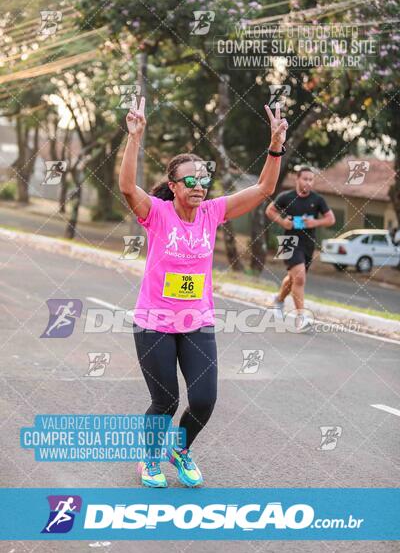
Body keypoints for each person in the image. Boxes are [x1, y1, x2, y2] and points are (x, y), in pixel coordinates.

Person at [119, 97, 288, 488]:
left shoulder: (213, 212)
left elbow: (264, 188)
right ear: (174, 186)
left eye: (203, 178)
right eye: (189, 180)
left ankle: (180, 449)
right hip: (154, 323)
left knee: (204, 400)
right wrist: (135, 137)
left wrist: (275, 143)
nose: (199, 185)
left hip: (197, 322)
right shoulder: (157, 214)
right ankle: (150, 461)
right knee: (166, 401)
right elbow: (128, 186)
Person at [266, 166, 335, 328]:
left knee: (293, 278)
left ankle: (279, 300)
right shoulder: (286, 197)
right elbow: (270, 211)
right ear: (297, 179)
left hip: (307, 244)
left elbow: (330, 219)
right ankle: (301, 317)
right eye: (305, 179)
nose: (308, 182)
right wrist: (283, 222)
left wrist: (315, 222)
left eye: (311, 179)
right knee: (300, 278)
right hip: (288, 241)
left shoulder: (317, 200)